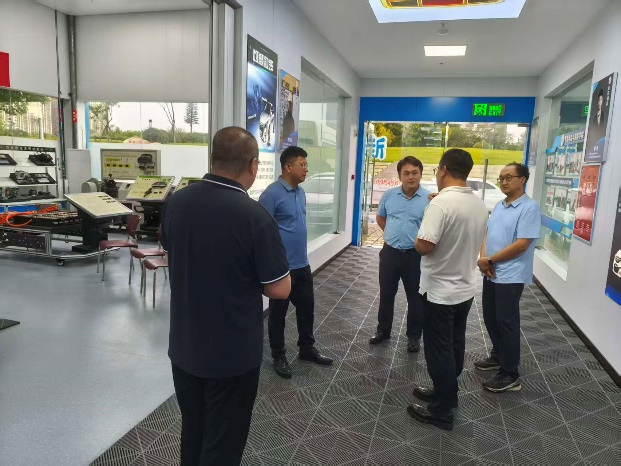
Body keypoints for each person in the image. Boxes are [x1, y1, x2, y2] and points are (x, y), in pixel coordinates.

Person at [161, 126, 291, 465]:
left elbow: (171, 251)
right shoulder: (255, 217)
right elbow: (280, 288)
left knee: (193, 431)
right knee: (223, 444)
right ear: (253, 165)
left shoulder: (177, 202)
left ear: (213, 159)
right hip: (231, 355)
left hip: (185, 347)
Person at [407, 148, 488, 431]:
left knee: (438, 351)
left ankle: (441, 411)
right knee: (454, 345)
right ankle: (447, 393)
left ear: (442, 170)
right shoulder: (478, 204)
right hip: (465, 290)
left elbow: (424, 246)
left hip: (440, 292)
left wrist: (419, 236)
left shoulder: (440, 204)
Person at [259, 146, 333, 379]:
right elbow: (261, 232)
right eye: (303, 164)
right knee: (278, 314)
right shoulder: (271, 194)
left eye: (306, 165)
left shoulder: (300, 192)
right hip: (282, 268)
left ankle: (306, 349)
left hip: (302, 264)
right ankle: (278, 355)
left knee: (306, 310)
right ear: (288, 167)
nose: (306, 169)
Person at [475, 163, 542, 393]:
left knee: (506, 323)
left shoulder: (529, 208)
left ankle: (510, 374)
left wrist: (490, 260)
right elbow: (487, 233)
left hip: (510, 275)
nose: (503, 181)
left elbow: (522, 244)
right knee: (490, 318)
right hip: (492, 272)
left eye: (508, 177)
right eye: (501, 178)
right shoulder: (500, 205)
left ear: (522, 180)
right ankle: (498, 356)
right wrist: (484, 259)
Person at [369, 156, 429, 352]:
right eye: (406, 173)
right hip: (390, 253)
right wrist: (391, 234)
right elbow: (380, 217)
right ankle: (383, 330)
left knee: (416, 298)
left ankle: (413, 336)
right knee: (386, 294)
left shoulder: (429, 199)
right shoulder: (389, 195)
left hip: (415, 256)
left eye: (415, 173)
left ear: (420, 174)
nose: (411, 177)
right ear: (399, 176)